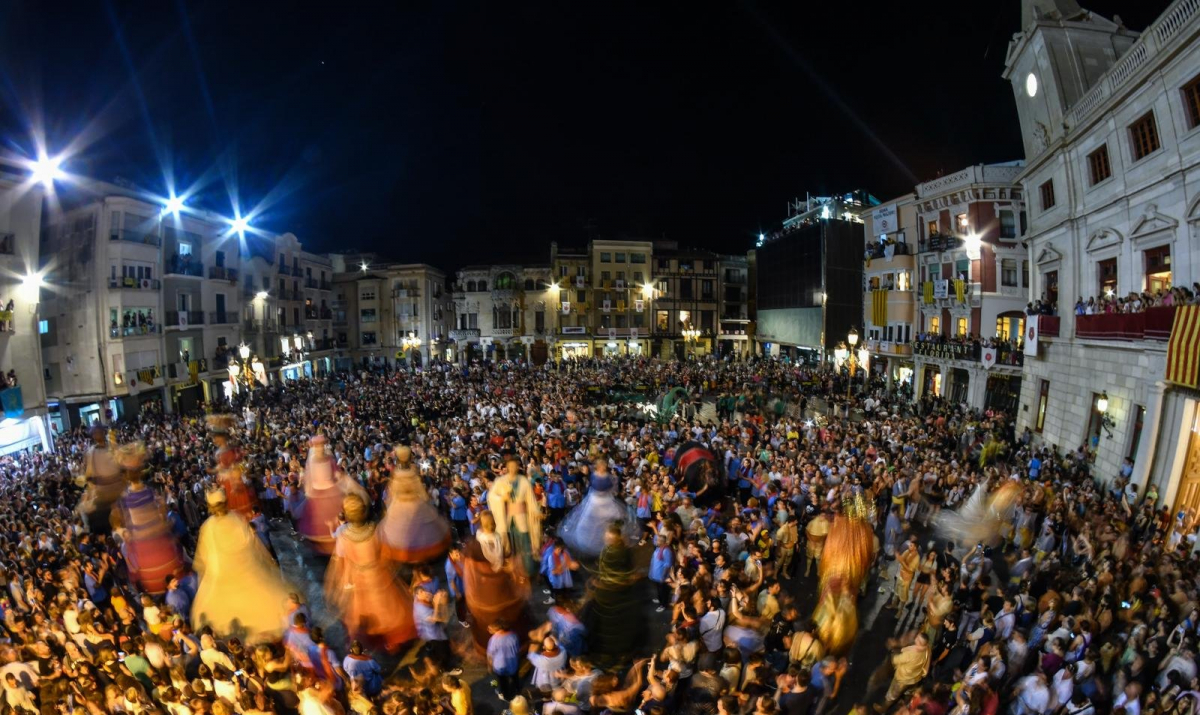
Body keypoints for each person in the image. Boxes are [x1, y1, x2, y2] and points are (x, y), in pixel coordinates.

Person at [192, 488, 293, 643]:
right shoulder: (235, 518)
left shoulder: (209, 527)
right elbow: (252, 544)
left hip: (223, 576)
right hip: (246, 571)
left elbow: (204, 558)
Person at [324, 494, 416, 651]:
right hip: (379, 573)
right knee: (388, 609)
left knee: (362, 613)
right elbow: (385, 552)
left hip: (358, 578)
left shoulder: (344, 536)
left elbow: (340, 560)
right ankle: (392, 641)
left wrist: (340, 581)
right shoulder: (375, 529)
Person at [463, 511, 529, 652]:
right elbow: (473, 569)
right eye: (490, 524)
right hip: (487, 587)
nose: (493, 526)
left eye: (493, 524)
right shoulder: (475, 544)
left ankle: (506, 641)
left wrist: (508, 565)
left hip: (498, 584)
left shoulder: (495, 538)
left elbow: (505, 556)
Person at [377, 446, 452, 562]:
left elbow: (393, 493)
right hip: (415, 504)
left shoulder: (397, 474)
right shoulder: (412, 472)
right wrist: (426, 501)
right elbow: (421, 491)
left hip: (399, 505)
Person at [490, 457, 544, 575]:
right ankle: (512, 570)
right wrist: (501, 499)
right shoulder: (500, 481)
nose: (513, 468)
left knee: (524, 543)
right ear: (506, 467)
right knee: (509, 545)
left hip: (521, 517)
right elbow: (491, 496)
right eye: (510, 466)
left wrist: (536, 512)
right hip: (507, 519)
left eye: (515, 465)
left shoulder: (524, 481)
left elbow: (531, 500)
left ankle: (526, 570)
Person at [488, 620, 522, 701]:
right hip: (513, 664)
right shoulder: (513, 636)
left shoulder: (493, 639)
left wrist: (489, 666)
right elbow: (517, 650)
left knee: (502, 682)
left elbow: (490, 655)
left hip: (500, 666)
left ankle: (506, 696)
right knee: (515, 678)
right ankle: (518, 691)